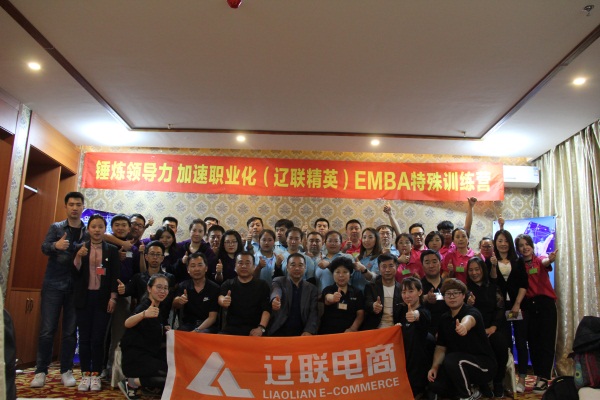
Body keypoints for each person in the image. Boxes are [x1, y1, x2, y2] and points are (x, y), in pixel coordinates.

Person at [30, 192, 87, 389]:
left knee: (70, 332)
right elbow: (44, 247)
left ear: (83, 207)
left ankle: (66, 370)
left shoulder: (87, 231)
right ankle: (41, 371)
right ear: (66, 206)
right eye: (71, 204)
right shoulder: (56, 227)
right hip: (53, 284)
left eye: (78, 204)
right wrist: (56, 245)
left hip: (76, 287)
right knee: (47, 330)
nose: (75, 208)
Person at [427, 279, 497, 400]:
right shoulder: (444, 318)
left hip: (483, 365)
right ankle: (474, 388)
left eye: (456, 293)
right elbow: (441, 347)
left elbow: (470, 319)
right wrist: (435, 367)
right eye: (448, 294)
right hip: (457, 363)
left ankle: (467, 395)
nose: (452, 297)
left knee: (453, 360)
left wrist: (464, 326)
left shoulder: (471, 311)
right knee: (436, 385)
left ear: (463, 295)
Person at [72, 214, 120, 392]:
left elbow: (114, 275)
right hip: (84, 298)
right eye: (93, 226)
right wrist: (78, 257)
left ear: (105, 229)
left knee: (98, 339)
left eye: (100, 226)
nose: (97, 230)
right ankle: (85, 374)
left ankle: (96, 374)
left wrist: (113, 297)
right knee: (84, 338)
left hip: (103, 299)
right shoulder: (81, 247)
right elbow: (74, 273)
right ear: (88, 229)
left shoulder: (111, 250)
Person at [515, 233, 558, 394]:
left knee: (546, 341)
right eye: (521, 245)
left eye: (527, 244)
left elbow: (546, 262)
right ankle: (538, 374)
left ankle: (544, 378)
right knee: (533, 342)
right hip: (529, 306)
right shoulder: (518, 265)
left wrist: (550, 259)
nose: (525, 247)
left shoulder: (539, 260)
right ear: (517, 249)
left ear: (532, 246)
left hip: (545, 304)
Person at [118, 274, 171, 399]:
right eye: (159, 287)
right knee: (170, 375)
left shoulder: (158, 308)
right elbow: (127, 323)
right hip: (136, 358)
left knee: (175, 368)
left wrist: (164, 329)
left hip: (150, 354)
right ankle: (131, 383)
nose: (162, 291)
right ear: (149, 288)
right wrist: (144, 314)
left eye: (165, 288)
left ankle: (147, 386)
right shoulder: (144, 307)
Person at [491, 228, 528, 393]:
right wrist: (493, 265)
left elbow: (523, 284)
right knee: (504, 343)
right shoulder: (491, 261)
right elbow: (492, 282)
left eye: (506, 241)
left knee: (520, 341)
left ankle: (522, 378)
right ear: (495, 243)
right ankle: (507, 379)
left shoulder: (518, 261)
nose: (503, 244)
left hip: (516, 306)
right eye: (500, 241)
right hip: (500, 309)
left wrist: (517, 304)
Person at [466, 257, 508, 398]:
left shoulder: (493, 287)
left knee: (500, 343)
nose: (474, 273)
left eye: (477, 269)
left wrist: (493, 327)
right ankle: (482, 382)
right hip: (474, 330)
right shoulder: (465, 290)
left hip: (492, 327)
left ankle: (498, 382)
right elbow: (462, 313)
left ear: (483, 270)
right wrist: (468, 305)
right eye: (471, 270)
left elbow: (500, 308)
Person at [119, 241, 175, 328]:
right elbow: (126, 291)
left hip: (162, 321)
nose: (155, 257)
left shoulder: (169, 278)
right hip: (140, 319)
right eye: (152, 254)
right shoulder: (138, 277)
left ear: (162, 258)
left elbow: (170, 301)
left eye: (158, 254)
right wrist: (122, 289)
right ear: (146, 257)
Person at [218, 251, 271, 336]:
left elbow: (267, 309)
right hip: (232, 329)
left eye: (247, 263)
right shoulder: (228, 284)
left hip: (255, 329)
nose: (244, 266)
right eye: (240, 263)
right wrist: (223, 301)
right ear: (235, 266)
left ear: (254, 266)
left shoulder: (262, 285)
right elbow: (221, 297)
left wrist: (261, 328)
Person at [395, 277, 431, 398]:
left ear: (420, 292)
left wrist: (414, 315)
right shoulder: (400, 310)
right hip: (404, 362)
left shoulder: (424, 312)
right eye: (403, 292)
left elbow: (420, 314)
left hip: (418, 367)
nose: (407, 295)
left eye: (411, 291)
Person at [268, 253, 319, 336]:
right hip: (279, 331)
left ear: (305, 268)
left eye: (300, 265)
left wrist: (308, 331)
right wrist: (274, 300)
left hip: (302, 333)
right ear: (287, 268)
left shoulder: (312, 288)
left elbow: (313, 313)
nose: (297, 268)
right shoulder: (279, 281)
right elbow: (276, 291)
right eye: (293, 265)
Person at [173, 252, 219, 333]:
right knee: (179, 333)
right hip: (188, 325)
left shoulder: (214, 288)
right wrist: (179, 300)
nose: (197, 269)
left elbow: (212, 318)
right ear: (188, 270)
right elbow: (175, 304)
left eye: (200, 265)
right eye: (193, 266)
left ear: (206, 268)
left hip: (208, 326)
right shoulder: (183, 286)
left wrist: (196, 331)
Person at [319, 257, 364, 334]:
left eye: (345, 272)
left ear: (350, 274)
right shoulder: (328, 289)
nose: (341, 275)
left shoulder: (357, 292)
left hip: (350, 333)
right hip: (329, 332)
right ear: (333, 274)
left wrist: (352, 329)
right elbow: (327, 298)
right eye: (337, 272)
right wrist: (333, 298)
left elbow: (360, 314)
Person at [362, 253, 402, 330]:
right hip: (375, 330)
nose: (387, 270)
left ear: (397, 267)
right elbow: (367, 304)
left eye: (391, 266)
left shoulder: (401, 289)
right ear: (379, 268)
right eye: (384, 266)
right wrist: (373, 306)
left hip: (395, 330)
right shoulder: (371, 287)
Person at [420, 250, 448, 336]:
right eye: (427, 262)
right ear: (422, 265)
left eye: (434, 262)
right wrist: (425, 298)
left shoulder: (448, 285)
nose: (431, 265)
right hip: (424, 332)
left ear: (440, 263)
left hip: (447, 329)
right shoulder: (417, 287)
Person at [351, 227, 380, 292]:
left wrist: (363, 268)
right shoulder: (357, 256)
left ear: (376, 239)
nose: (366, 240)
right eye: (364, 237)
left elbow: (374, 278)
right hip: (353, 292)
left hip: (368, 293)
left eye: (370, 237)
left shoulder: (379, 258)